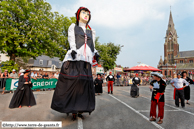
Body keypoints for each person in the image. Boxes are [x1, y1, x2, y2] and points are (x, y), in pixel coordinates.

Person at [51, 7, 100, 121]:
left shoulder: (91, 31)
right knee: (72, 85)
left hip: (86, 62)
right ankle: (71, 109)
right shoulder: (73, 27)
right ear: (78, 15)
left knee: (83, 87)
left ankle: (80, 109)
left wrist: (96, 53)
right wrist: (73, 49)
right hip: (75, 58)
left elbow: (93, 45)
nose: (86, 15)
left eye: (88, 13)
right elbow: (71, 39)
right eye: (84, 13)